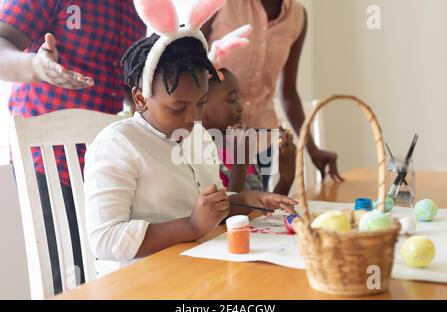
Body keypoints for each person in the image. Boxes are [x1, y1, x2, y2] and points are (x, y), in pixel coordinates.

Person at [84, 0, 298, 276]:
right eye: (178, 107)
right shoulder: (118, 144)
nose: (193, 118)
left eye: (201, 104)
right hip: (139, 280)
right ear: (140, 98)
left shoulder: (195, 136)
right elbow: (104, 241)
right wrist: (192, 227)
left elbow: (202, 211)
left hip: (192, 264)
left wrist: (247, 199)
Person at [0, 0, 146, 293]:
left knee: (109, 272)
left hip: (104, 162)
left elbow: (124, 83)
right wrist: (36, 66)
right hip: (50, 159)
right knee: (68, 280)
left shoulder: (135, 7)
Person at [202, 0, 344, 185]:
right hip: (212, 141)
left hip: (262, 142)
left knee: (257, 211)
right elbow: (188, 71)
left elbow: (288, 93)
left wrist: (311, 148)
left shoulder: (297, 17)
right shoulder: (219, 4)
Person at [202, 67, 296, 195]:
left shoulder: (241, 151)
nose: (240, 107)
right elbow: (230, 212)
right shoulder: (203, 161)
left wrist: (286, 179)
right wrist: (240, 163)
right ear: (201, 108)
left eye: (239, 99)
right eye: (232, 99)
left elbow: (262, 211)